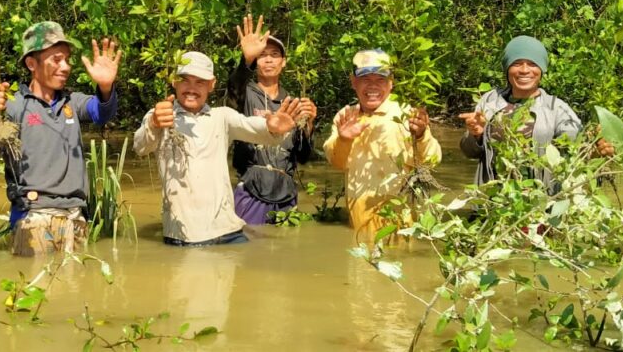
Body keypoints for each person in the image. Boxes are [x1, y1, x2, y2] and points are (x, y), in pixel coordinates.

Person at [0, 21, 121, 256]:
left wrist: (105, 86)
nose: (65, 67)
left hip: (75, 215)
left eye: (67, 59)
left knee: (76, 288)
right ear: (31, 63)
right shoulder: (12, 105)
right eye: (56, 59)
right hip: (33, 215)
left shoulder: (71, 101)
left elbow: (102, 112)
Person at [133, 51, 302, 246]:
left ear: (212, 84)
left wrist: (273, 128)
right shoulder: (160, 115)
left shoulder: (222, 117)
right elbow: (140, 146)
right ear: (174, 82)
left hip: (229, 231)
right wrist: (154, 123)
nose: (191, 88)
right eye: (185, 80)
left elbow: (256, 128)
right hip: (184, 235)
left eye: (200, 82)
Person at [458, 35, 611, 190]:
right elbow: (469, 152)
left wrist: (595, 151)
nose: (524, 70)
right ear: (507, 69)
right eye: (517, 64)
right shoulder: (490, 101)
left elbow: (576, 151)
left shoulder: (556, 108)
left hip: (540, 204)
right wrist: (475, 135)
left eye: (532, 64)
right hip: (493, 201)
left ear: (541, 69)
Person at [322, 49, 441, 242]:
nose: (373, 86)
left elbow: (431, 161)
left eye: (380, 79)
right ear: (353, 82)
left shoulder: (407, 115)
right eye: (365, 79)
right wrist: (343, 140)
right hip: (358, 219)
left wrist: (420, 135)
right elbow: (336, 162)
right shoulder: (346, 116)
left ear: (391, 82)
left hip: (399, 219)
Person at [227, 14, 317, 224]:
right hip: (251, 189)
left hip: (285, 192)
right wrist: (246, 60)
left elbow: (303, 157)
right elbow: (233, 88)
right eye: (262, 55)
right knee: (248, 248)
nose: (268, 60)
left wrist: (309, 124)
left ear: (283, 62)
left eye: (274, 55)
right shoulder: (245, 94)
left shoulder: (292, 103)